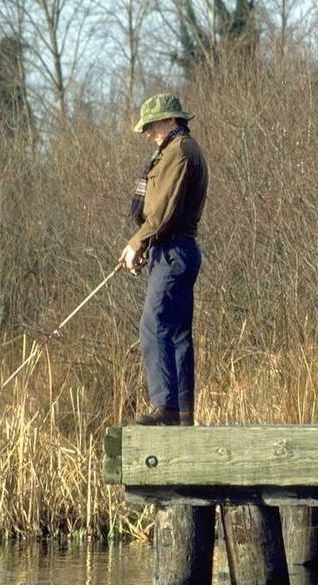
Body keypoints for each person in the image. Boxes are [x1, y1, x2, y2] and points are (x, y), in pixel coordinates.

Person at [120, 94, 208, 426]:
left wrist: (136, 243)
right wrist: (143, 246)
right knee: (175, 333)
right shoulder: (172, 151)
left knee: (154, 324)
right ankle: (182, 415)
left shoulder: (180, 152)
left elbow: (163, 211)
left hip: (174, 251)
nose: (147, 133)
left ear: (170, 120)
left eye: (151, 125)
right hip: (169, 251)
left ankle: (167, 408)